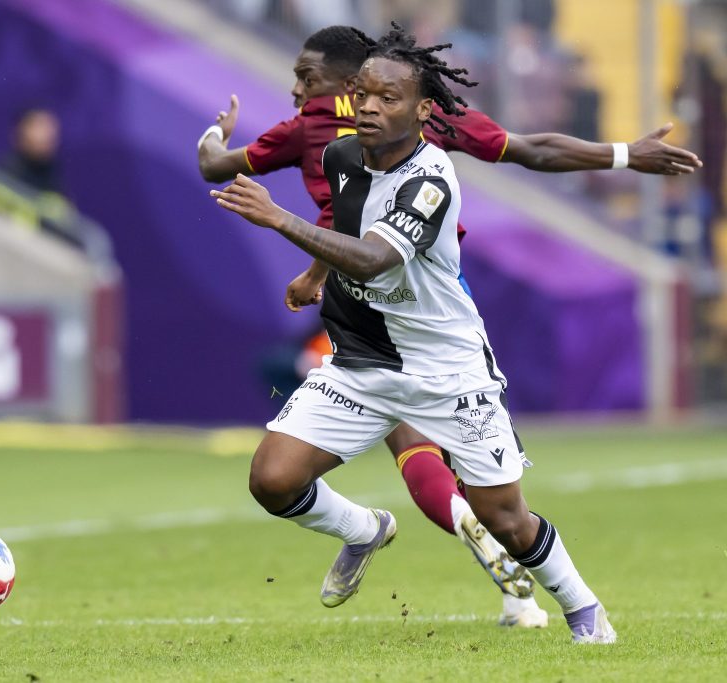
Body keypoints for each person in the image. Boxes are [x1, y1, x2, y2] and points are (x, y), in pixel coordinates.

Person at [197, 24, 702, 628]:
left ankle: (582, 608)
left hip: (444, 366)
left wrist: (278, 217)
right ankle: (363, 528)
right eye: (364, 95)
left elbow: (374, 257)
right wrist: (314, 273)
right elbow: (343, 222)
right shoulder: (336, 154)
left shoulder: (431, 178)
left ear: (422, 109)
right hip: (361, 360)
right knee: (272, 480)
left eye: (388, 98)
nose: (370, 107)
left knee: (504, 517)